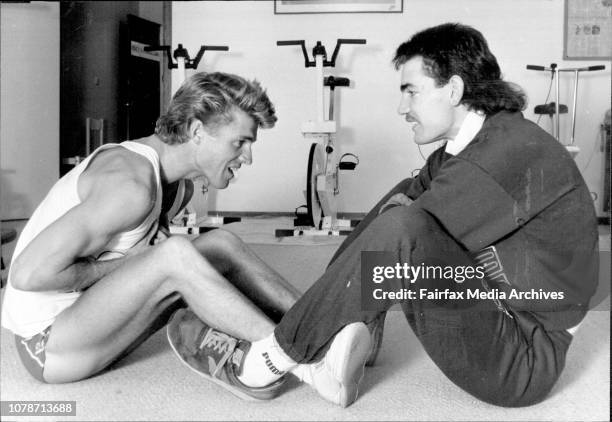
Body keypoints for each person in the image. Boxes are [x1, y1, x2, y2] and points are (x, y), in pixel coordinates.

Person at [168, 23, 599, 408]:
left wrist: (309, 327)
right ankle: (346, 332)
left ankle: (264, 366)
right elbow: (395, 219)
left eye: (411, 90)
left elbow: (401, 239)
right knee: (401, 200)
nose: (401, 106)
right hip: (495, 305)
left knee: (402, 226)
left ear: (452, 90)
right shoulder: (470, 145)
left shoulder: (504, 154)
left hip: (523, 355)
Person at [1, 72, 311, 395]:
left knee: (220, 244)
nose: (248, 157)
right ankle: (301, 363)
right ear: (196, 131)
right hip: (46, 345)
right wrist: (140, 260)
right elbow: (26, 275)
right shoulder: (130, 185)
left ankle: (320, 329)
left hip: (92, 330)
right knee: (175, 255)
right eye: (240, 142)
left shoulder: (177, 189)